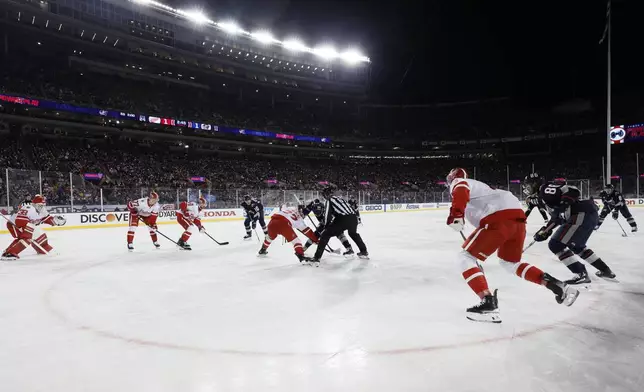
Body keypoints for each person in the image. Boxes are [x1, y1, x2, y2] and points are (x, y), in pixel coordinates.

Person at [446, 168, 579, 323]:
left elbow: (461, 188)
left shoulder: (460, 182)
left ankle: (488, 302)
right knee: (509, 263)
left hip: (498, 219)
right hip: (517, 220)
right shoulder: (482, 190)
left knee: (465, 257)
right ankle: (557, 286)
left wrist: (456, 214)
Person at [534, 182, 616, 284]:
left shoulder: (544, 190)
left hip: (580, 214)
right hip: (587, 214)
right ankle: (605, 270)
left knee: (555, 244)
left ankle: (580, 274)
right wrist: (545, 231)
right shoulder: (544, 199)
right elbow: (558, 218)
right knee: (577, 247)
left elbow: (573, 190)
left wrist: (564, 203)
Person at [311, 187, 368, 264]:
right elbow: (350, 210)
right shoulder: (341, 199)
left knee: (325, 234)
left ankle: (316, 258)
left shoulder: (329, 200)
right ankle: (363, 251)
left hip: (343, 219)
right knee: (353, 234)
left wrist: (325, 226)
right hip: (353, 218)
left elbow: (327, 216)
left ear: (326, 195)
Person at [1, 195, 66, 260]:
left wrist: (55, 221)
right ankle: (10, 253)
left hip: (25, 225)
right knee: (27, 238)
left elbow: (47, 219)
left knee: (40, 235)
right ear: (34, 204)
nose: (41, 207)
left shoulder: (42, 210)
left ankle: (43, 249)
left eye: (42, 205)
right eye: (40, 205)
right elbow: (20, 220)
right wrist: (25, 230)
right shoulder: (28, 207)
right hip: (14, 224)